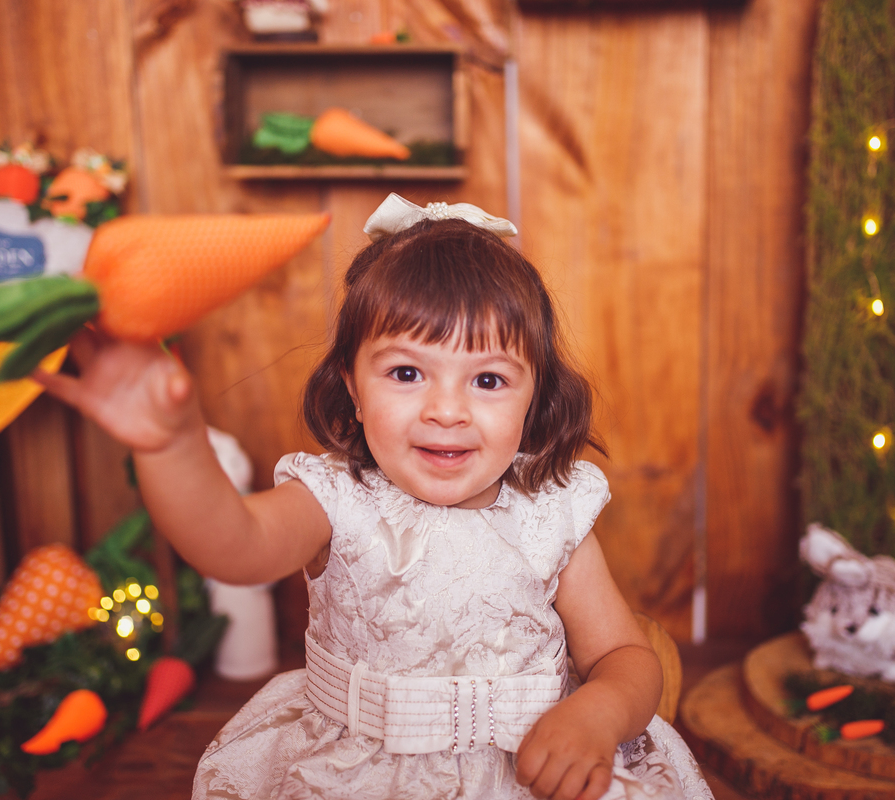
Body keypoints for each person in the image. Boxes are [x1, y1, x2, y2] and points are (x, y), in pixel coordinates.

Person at [36, 194, 714, 800]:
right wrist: (170, 445)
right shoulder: (336, 500)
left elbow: (625, 658)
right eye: (408, 372)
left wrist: (595, 715)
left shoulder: (548, 513)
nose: (446, 410)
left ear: (535, 400)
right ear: (353, 388)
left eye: (488, 381)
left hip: (530, 773)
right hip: (358, 774)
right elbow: (231, 545)